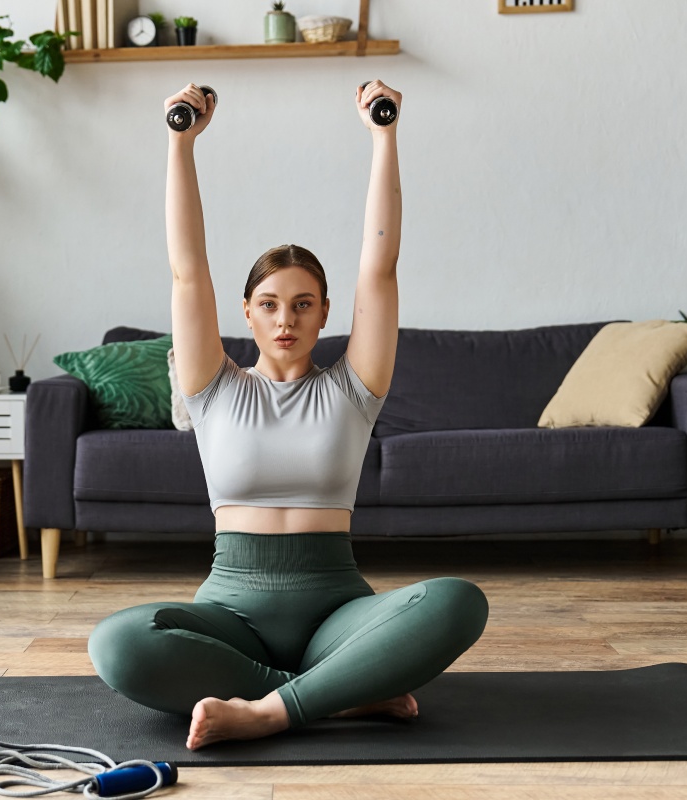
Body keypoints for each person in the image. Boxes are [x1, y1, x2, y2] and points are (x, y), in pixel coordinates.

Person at [88, 81, 488, 751]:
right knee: (117, 644)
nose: (286, 319)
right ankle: (338, 695)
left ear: (325, 313)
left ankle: (269, 711)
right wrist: (180, 143)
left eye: (304, 304)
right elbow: (188, 270)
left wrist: (384, 137)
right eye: (269, 304)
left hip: (337, 611)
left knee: (458, 601)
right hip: (230, 613)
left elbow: (380, 268)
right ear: (246, 312)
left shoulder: (354, 389)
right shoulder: (212, 388)